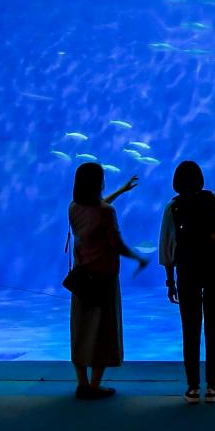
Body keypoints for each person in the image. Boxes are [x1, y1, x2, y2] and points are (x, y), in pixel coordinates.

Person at [159, 160, 215, 403]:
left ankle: (192, 387)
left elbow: (167, 247)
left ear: (176, 182)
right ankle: (212, 386)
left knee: (190, 329)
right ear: (201, 179)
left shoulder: (173, 207)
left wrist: (170, 281)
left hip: (187, 272)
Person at [67, 161, 147, 400]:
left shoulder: (73, 207)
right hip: (103, 277)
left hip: (81, 276)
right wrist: (138, 258)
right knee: (101, 330)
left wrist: (121, 192)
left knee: (81, 329)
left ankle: (82, 383)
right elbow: (117, 243)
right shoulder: (106, 212)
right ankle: (94, 385)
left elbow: (95, 212)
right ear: (98, 182)